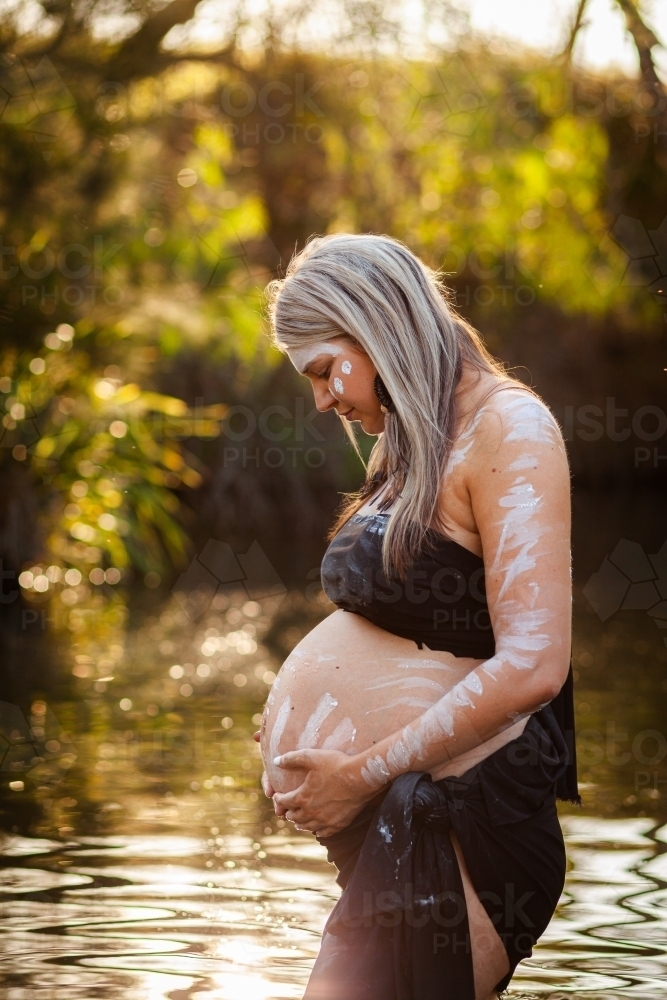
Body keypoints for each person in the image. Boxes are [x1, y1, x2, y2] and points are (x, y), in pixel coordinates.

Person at [258, 233, 578, 1000]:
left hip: (465, 823)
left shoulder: (510, 430)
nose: (322, 400)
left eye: (327, 369)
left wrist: (359, 770)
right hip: (397, 810)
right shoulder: (412, 441)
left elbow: (534, 665)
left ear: (379, 328)